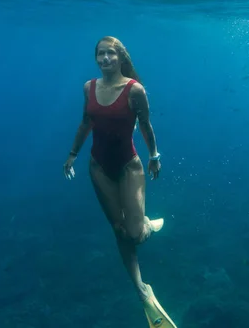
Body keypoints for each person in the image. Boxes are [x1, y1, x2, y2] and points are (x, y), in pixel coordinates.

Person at [63, 36, 177, 328]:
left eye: (110, 54)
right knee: (119, 229)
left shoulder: (134, 90)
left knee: (134, 232)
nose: (105, 59)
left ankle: (146, 226)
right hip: (99, 167)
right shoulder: (89, 87)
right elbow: (86, 122)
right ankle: (142, 289)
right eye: (100, 54)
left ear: (121, 57)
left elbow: (146, 126)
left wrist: (154, 156)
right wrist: (73, 154)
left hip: (129, 167)